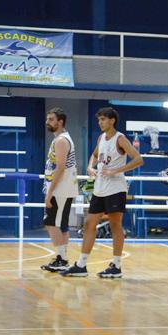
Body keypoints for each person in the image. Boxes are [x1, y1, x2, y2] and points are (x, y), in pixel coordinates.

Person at [62, 107, 143, 278]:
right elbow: (94, 155)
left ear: (112, 120)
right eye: (99, 120)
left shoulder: (120, 139)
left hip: (115, 189)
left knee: (115, 226)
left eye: (103, 119)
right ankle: (82, 265)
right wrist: (91, 166)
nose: (100, 122)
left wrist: (117, 171)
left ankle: (116, 265)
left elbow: (138, 159)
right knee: (89, 224)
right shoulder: (101, 138)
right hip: (99, 188)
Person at [40, 107, 79, 272]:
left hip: (61, 189)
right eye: (47, 119)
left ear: (60, 122)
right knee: (59, 224)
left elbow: (61, 167)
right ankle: (61, 257)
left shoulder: (61, 140)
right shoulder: (60, 139)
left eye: (51, 119)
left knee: (51, 223)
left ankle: (62, 259)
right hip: (61, 188)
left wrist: (49, 193)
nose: (47, 122)